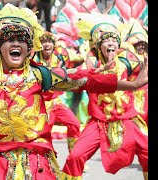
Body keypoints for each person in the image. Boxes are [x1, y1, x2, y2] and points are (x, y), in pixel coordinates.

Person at [0, 4, 147, 179]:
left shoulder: (41, 75)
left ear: (29, 49)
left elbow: (84, 80)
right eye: (9, 39)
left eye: (21, 39)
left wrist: (133, 85)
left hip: (39, 165)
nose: (15, 43)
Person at [60, 12, 148, 179]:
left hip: (128, 120)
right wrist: (97, 70)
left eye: (114, 40)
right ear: (98, 46)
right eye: (106, 40)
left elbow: (143, 68)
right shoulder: (90, 66)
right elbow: (77, 77)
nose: (111, 43)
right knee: (75, 156)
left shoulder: (127, 62)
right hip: (98, 122)